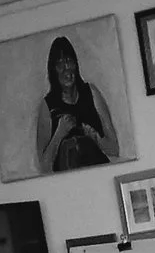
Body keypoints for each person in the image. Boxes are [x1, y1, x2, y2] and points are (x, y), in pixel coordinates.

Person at [33, 35, 120, 174]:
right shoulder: (48, 105)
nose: (66, 69)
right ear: (53, 70)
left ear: (76, 65)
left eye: (69, 61)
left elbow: (114, 149)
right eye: (60, 64)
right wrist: (59, 134)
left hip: (98, 173)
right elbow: (44, 166)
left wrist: (95, 138)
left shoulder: (91, 93)